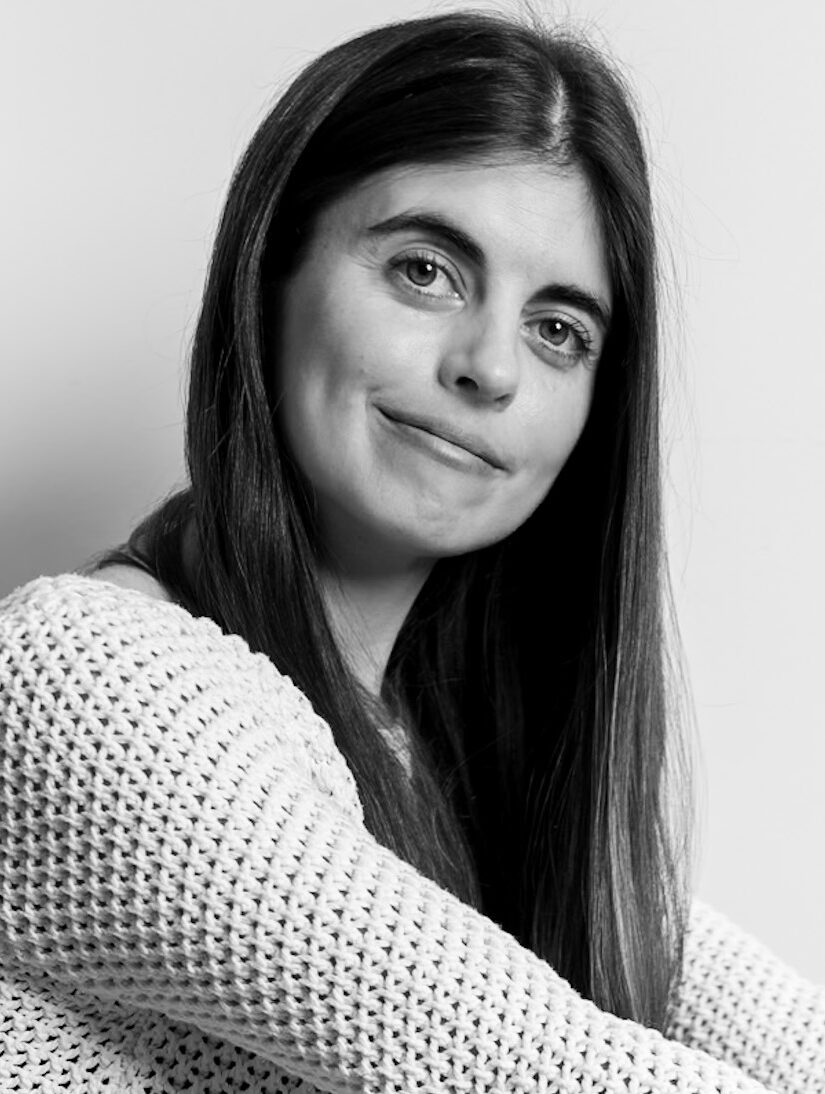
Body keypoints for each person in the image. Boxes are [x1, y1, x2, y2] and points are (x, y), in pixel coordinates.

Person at [0, 9, 822, 1093]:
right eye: (426, 270)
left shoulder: (448, 767)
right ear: (270, 272)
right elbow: (562, 1074)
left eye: (558, 330)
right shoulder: (88, 679)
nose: (492, 368)